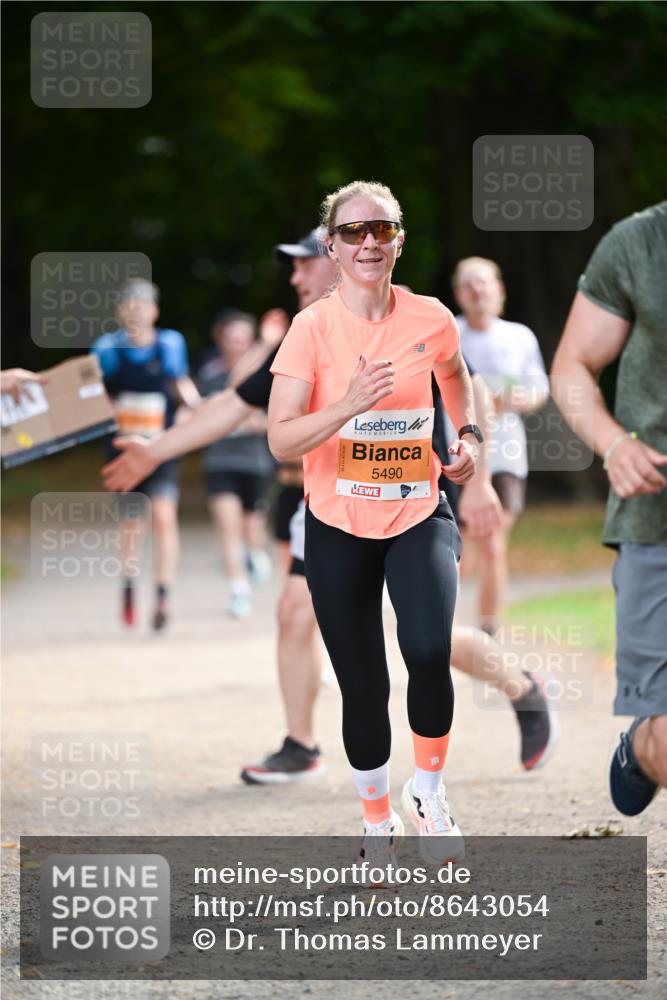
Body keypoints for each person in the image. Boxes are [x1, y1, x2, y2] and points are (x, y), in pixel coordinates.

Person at [268, 180, 482, 863]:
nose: (368, 241)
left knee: (426, 650)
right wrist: (349, 404)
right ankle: (374, 821)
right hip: (335, 523)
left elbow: (455, 376)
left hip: (419, 510)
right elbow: (280, 439)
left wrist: (469, 436)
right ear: (331, 247)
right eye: (354, 231)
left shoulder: (430, 319)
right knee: (363, 682)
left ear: (398, 241)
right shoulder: (310, 329)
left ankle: (428, 793)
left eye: (381, 229)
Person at [103, 232, 337, 780]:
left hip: (395, 505)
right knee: (293, 614)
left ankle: (517, 686)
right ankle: (301, 747)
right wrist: (152, 452)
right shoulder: (299, 336)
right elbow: (232, 403)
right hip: (322, 502)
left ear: (343, 262)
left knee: (421, 638)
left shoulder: (399, 321)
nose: (295, 278)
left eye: (305, 267)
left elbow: (450, 389)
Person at [551, 201, 667, 816]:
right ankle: (642, 745)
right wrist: (614, 443)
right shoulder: (641, 244)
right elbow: (573, 363)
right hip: (657, 518)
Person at [92, 278, 200, 630]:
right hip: (124, 449)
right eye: (129, 304)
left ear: (154, 310)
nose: (136, 310)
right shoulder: (106, 349)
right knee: (132, 523)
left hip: (161, 447)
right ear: (120, 311)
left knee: (164, 516)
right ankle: (128, 584)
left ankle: (163, 595)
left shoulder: (169, 344)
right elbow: (94, 395)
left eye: (143, 304)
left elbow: (181, 387)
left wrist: (199, 411)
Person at [452, 257, 549, 635]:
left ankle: (488, 634)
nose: (478, 290)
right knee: (454, 552)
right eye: (469, 284)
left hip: (507, 454)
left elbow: (540, 389)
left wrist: (513, 399)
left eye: (485, 283)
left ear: (500, 290)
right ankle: (443, 635)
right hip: (457, 452)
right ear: (459, 293)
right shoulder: (450, 333)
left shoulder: (519, 336)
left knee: (492, 546)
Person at [195, 309, 276, 619]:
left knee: (251, 529)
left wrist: (263, 423)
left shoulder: (268, 374)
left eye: (243, 339)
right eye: (231, 339)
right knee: (228, 526)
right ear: (220, 341)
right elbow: (226, 396)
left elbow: (281, 417)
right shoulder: (211, 373)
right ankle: (238, 590)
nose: (236, 344)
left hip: (254, 462)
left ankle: (254, 554)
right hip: (219, 461)